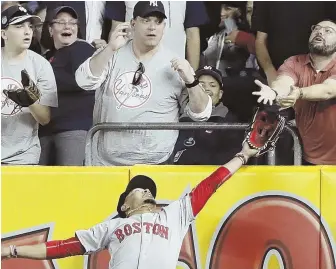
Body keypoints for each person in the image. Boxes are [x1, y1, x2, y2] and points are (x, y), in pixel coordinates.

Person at [1, 140, 259, 268]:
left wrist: (242, 156)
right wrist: (11, 250)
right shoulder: (110, 228)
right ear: (124, 206)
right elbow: (61, 247)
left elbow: (209, 185)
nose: (147, 190)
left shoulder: (173, 215)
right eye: (139, 188)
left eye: (149, 189)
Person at [75, 1, 212, 166]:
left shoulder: (176, 64)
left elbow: (202, 113)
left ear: (164, 26)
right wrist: (110, 48)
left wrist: (192, 81)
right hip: (106, 162)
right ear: (133, 23)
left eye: (158, 21)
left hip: (155, 163)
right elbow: (84, 81)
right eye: (146, 20)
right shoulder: (112, 54)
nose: (152, 27)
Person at [253, 20, 336, 165]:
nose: (320, 32)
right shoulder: (294, 62)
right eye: (316, 28)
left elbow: (328, 90)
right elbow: (284, 83)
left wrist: (298, 93)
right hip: (309, 157)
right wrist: (275, 92)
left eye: (328, 30)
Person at [38, 6, 96, 166]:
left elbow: (82, 80)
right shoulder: (45, 57)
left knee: (71, 182)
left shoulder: (83, 48)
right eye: (61, 22)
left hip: (74, 128)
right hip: (44, 131)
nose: (67, 26)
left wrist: (44, 82)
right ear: (50, 29)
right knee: (39, 184)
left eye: (72, 23)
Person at [1, 5, 58, 165]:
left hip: (24, 155)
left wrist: (30, 102)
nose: (27, 32)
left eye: (30, 26)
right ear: (3, 33)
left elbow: (45, 119)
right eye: (19, 26)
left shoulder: (41, 65)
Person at [173, 65, 244, 165]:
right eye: (201, 84)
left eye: (212, 85)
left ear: (220, 94)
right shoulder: (177, 115)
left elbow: (232, 157)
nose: (206, 89)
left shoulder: (230, 122)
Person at [111, 0, 209, 70]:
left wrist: (192, 75)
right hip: (130, 65)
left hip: (172, 67)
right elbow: (116, 30)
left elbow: (192, 35)